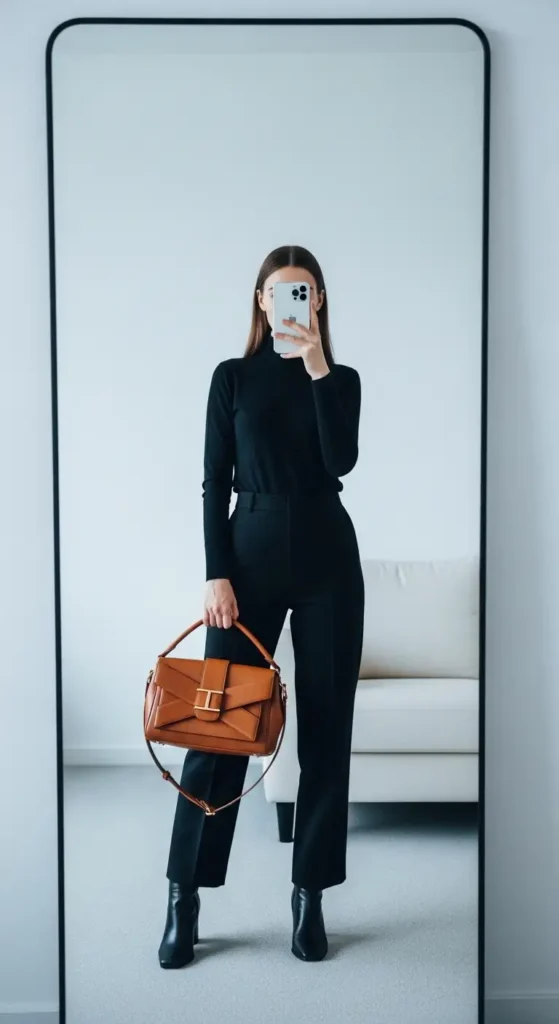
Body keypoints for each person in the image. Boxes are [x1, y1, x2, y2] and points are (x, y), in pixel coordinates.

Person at [158, 244, 365, 968]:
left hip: (328, 560)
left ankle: (309, 893)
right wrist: (217, 574)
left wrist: (315, 369)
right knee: (216, 730)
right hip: (247, 560)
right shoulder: (231, 378)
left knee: (326, 735)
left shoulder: (339, 381)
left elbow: (340, 460)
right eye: (280, 293)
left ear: (318, 303)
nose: (290, 304)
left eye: (304, 293)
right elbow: (215, 481)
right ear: (259, 302)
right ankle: (184, 893)